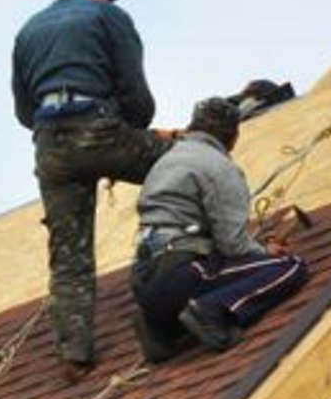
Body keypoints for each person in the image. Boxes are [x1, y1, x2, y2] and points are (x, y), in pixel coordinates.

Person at [12, 0, 172, 378]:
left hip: (51, 147)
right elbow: (136, 93)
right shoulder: (108, 15)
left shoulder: (28, 31)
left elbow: (23, 110)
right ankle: (202, 260)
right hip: (99, 127)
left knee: (69, 254)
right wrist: (132, 132)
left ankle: (74, 354)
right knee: (184, 162)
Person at [130, 98, 309, 363]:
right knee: (290, 266)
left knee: (209, 272)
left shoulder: (165, 162)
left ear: (193, 126)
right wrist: (265, 251)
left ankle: (161, 327)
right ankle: (210, 311)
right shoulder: (219, 167)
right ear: (233, 137)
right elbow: (234, 245)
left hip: (145, 281)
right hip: (182, 270)